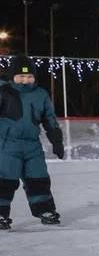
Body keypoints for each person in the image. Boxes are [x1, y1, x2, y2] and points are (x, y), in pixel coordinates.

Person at [0, 56, 63, 229]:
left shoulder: (40, 94)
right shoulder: (4, 92)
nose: (25, 80)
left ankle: (45, 210)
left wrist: (56, 140)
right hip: (7, 145)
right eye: (21, 76)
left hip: (32, 146)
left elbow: (49, 118)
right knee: (5, 180)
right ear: (12, 76)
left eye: (29, 77)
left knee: (38, 178)